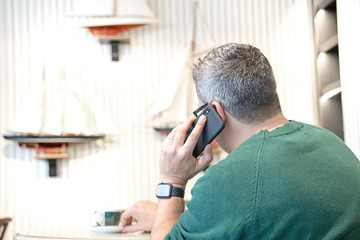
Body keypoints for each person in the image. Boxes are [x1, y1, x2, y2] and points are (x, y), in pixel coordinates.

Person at [121, 43, 360, 239]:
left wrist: (171, 181)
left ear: (213, 112)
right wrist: (170, 216)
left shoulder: (231, 177)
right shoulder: (331, 143)